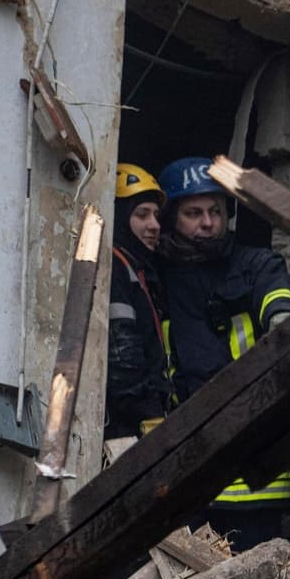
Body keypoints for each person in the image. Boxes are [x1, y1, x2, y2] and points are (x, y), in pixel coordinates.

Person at [155, 155, 290, 552]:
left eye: (216, 211)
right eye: (193, 213)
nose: (208, 222)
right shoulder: (157, 277)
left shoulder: (254, 263)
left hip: (256, 475)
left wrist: (284, 322)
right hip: (189, 473)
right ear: (171, 218)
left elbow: (280, 299)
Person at [105, 164, 170, 441]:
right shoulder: (116, 265)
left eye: (156, 215)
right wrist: (148, 413)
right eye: (142, 215)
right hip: (126, 426)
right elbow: (122, 355)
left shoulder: (139, 268)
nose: (154, 225)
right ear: (120, 217)